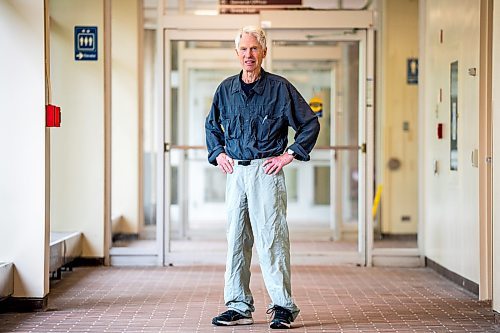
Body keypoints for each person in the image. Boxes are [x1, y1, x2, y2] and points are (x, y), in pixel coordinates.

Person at [205, 25, 320, 329]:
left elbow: (309, 124)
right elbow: (211, 127)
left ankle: (282, 306)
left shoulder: (280, 88)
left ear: (264, 52)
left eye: (254, 49)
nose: (248, 55)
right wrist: (218, 153)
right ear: (237, 54)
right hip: (236, 174)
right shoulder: (225, 90)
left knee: (272, 240)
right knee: (236, 241)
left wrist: (289, 154)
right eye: (243, 49)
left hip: (266, 173)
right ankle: (238, 306)